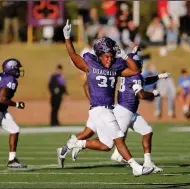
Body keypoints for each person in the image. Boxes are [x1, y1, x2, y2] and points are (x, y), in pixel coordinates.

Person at [58, 19, 154, 176]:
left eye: (111, 56)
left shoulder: (116, 67)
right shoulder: (90, 64)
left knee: (106, 145)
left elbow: (135, 70)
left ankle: (77, 143)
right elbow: (73, 55)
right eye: (106, 57)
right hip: (99, 109)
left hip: (107, 108)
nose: (109, 59)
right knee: (119, 136)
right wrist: (67, 37)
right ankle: (136, 167)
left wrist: (123, 54)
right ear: (99, 55)